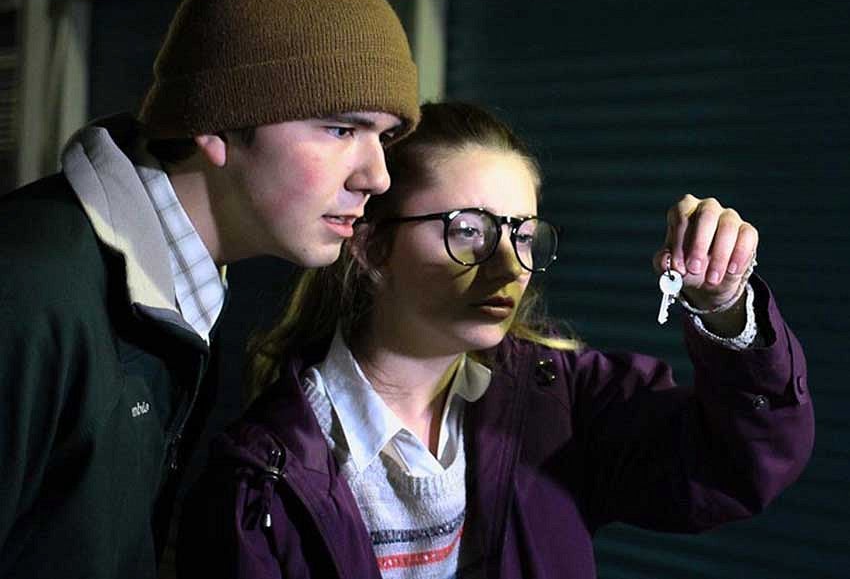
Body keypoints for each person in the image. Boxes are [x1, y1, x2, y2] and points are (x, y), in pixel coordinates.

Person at [178, 101, 814, 579]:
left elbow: (739, 465)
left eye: (524, 235)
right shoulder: (262, 477)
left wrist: (725, 303)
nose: (510, 267)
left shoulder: (559, 407)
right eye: (468, 230)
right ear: (371, 245)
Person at [0, 0, 420, 579]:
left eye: (384, 137)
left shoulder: (180, 291)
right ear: (217, 124)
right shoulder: (27, 290)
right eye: (341, 129)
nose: (378, 176)